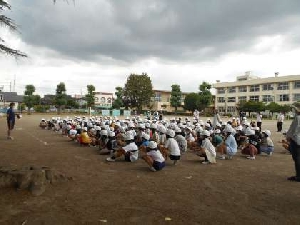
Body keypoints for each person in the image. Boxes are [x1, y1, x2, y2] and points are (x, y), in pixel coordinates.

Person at [286, 102, 300, 182]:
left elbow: (294, 129)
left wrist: (289, 137)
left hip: (296, 140)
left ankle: (298, 176)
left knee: (297, 158)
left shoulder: (298, 118)